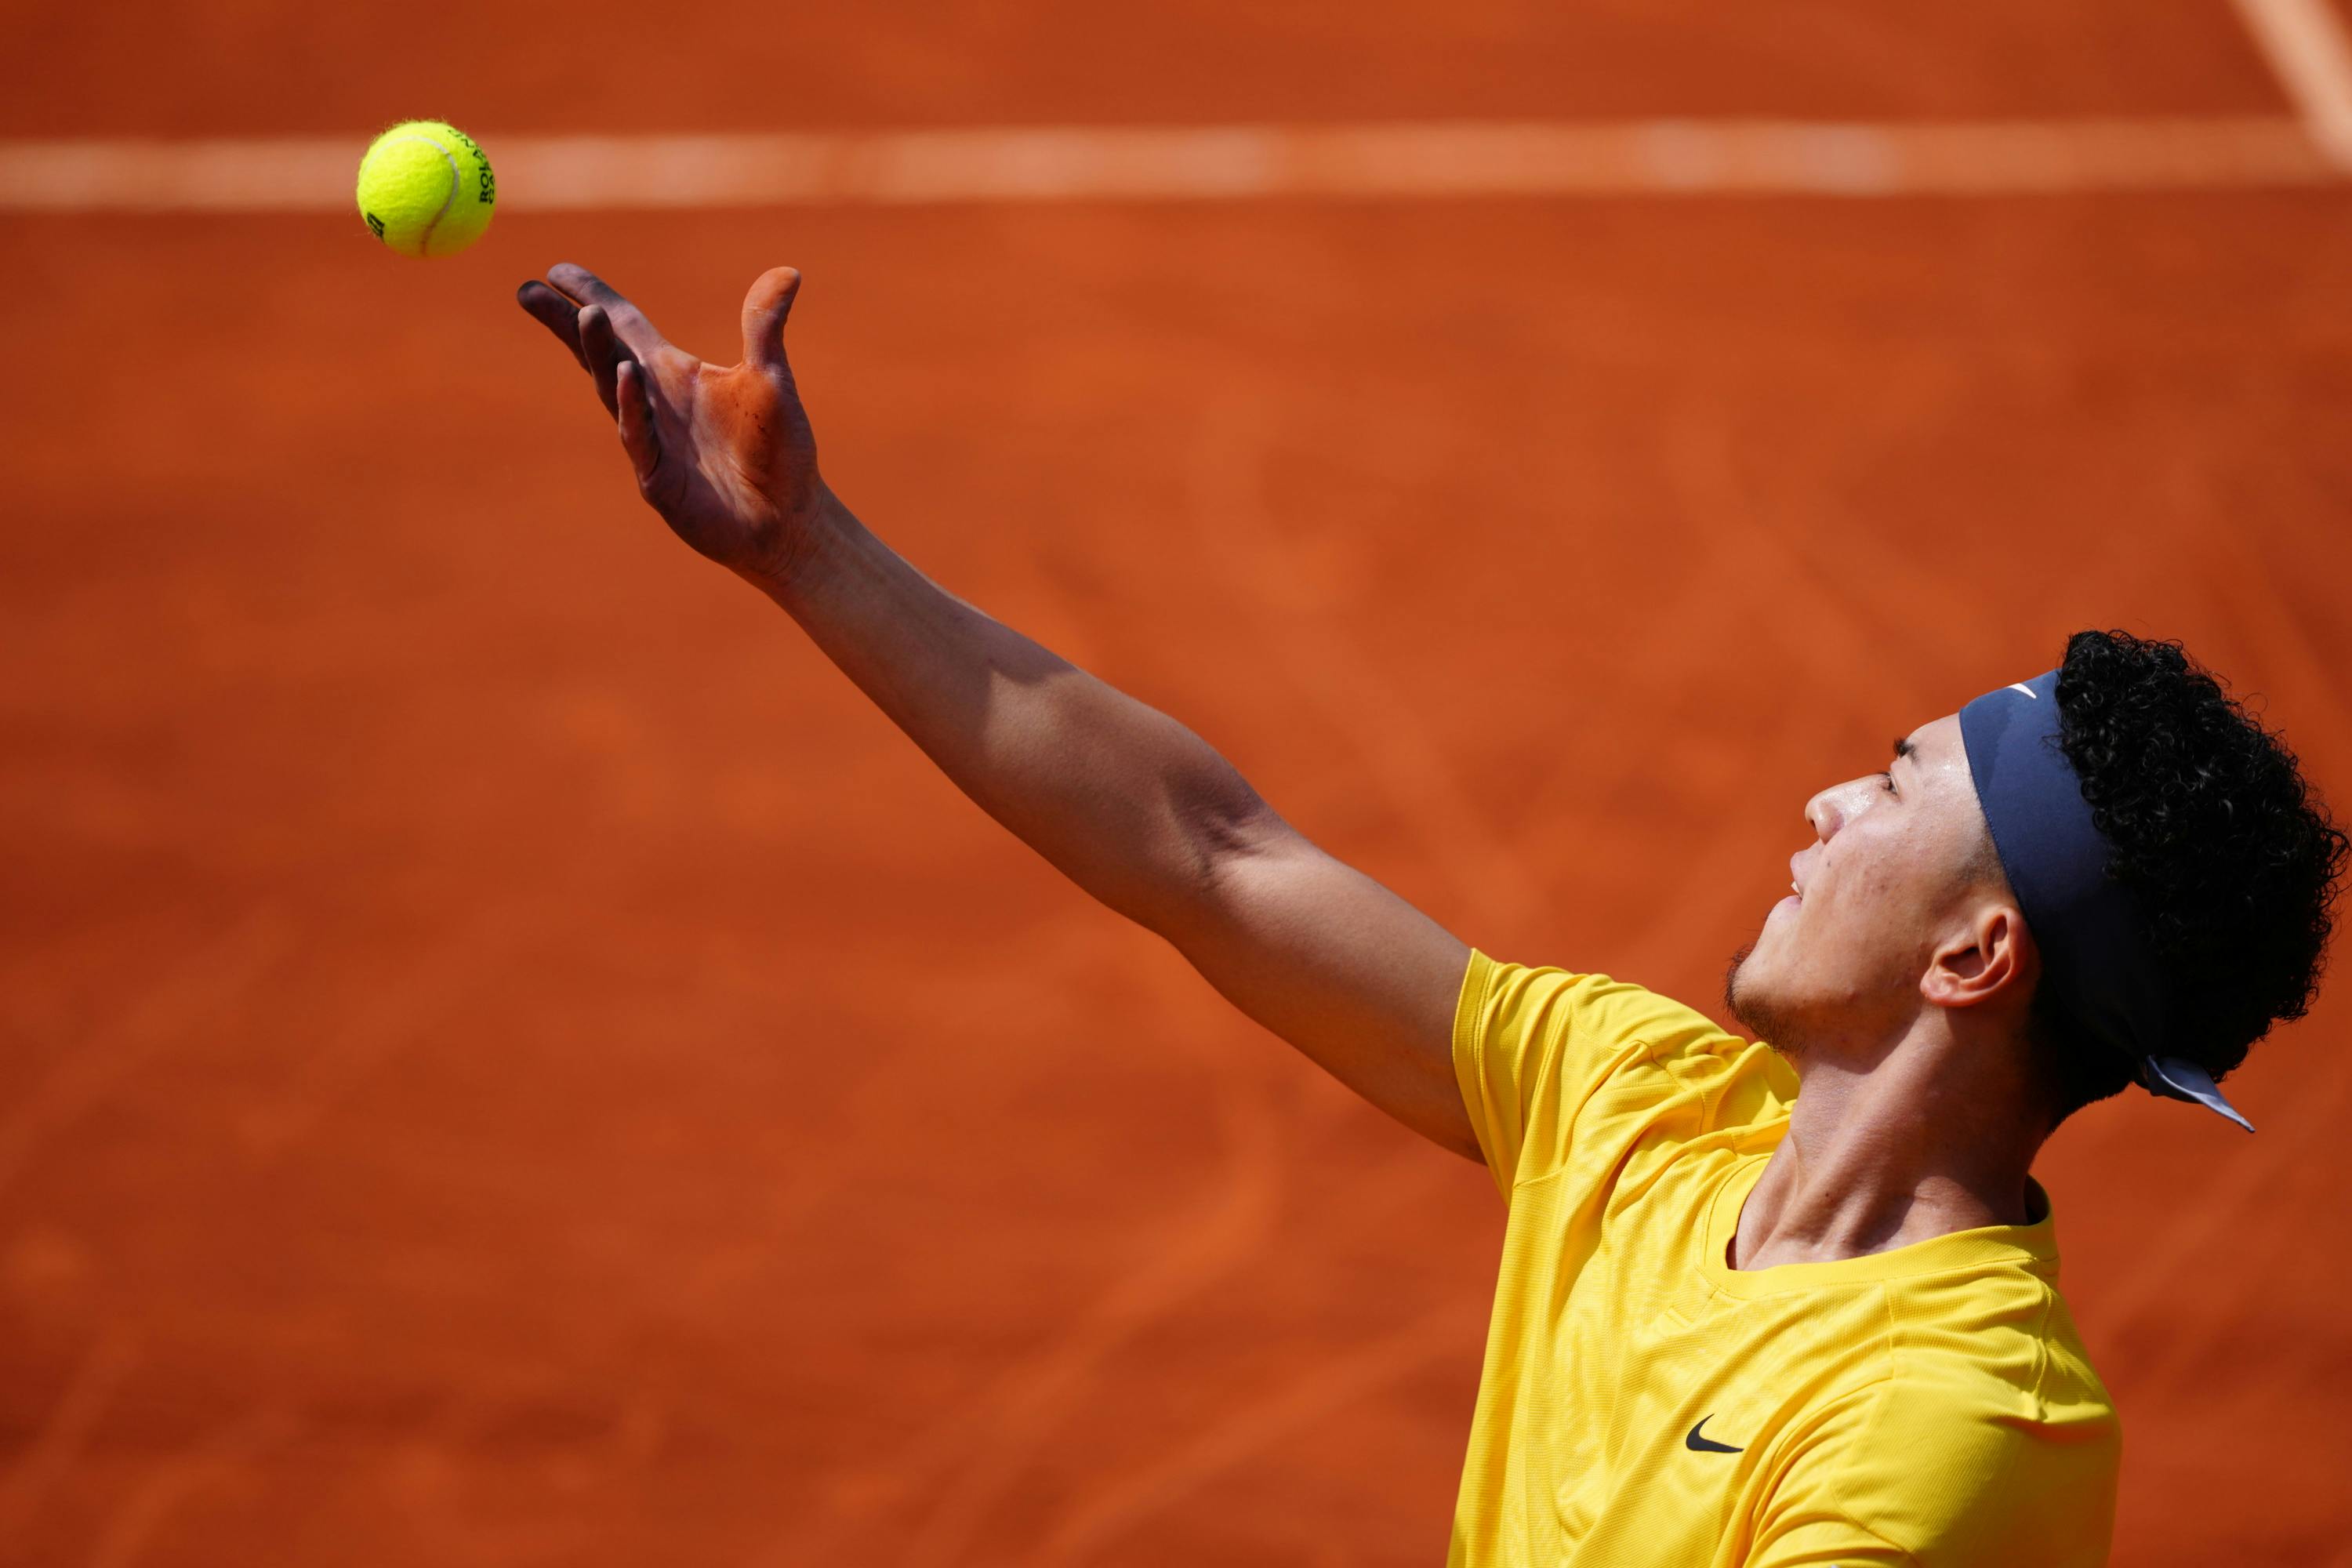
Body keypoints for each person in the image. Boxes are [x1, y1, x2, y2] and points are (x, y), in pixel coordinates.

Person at [516, 263, 2347, 1566]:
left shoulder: (1958, 1430)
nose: (1825, 801)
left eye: (1895, 782)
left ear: (1974, 953)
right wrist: (807, 550)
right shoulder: (1646, 1110)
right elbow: (1211, 851)